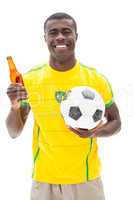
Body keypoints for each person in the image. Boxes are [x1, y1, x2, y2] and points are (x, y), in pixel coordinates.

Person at [6, 12, 121, 200]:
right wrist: (14, 106)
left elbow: (116, 121)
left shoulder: (96, 79)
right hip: (44, 180)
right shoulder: (31, 80)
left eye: (66, 31)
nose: (60, 37)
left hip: (86, 179)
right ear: (45, 38)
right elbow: (13, 132)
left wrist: (95, 132)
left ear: (76, 36)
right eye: (53, 32)